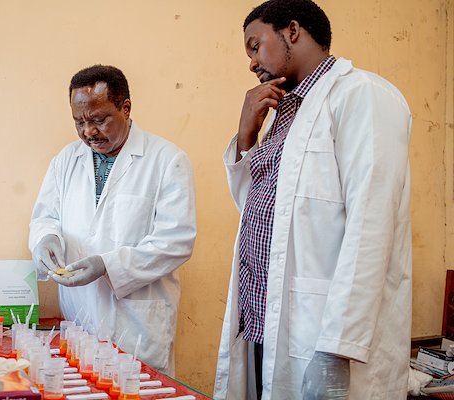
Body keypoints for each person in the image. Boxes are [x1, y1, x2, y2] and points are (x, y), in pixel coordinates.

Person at [214, 1, 412, 399]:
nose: (252, 62)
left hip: (320, 331)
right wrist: (245, 137)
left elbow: (372, 225)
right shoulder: (283, 111)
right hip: (263, 324)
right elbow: (259, 211)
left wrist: (338, 348)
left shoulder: (362, 95)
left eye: (255, 46)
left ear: (292, 31)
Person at [29, 64, 196, 375]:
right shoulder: (66, 160)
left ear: (126, 108)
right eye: (79, 122)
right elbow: (44, 217)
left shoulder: (167, 160)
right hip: (79, 322)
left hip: (137, 328)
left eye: (98, 119)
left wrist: (107, 265)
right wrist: (46, 239)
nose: (88, 132)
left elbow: (176, 242)